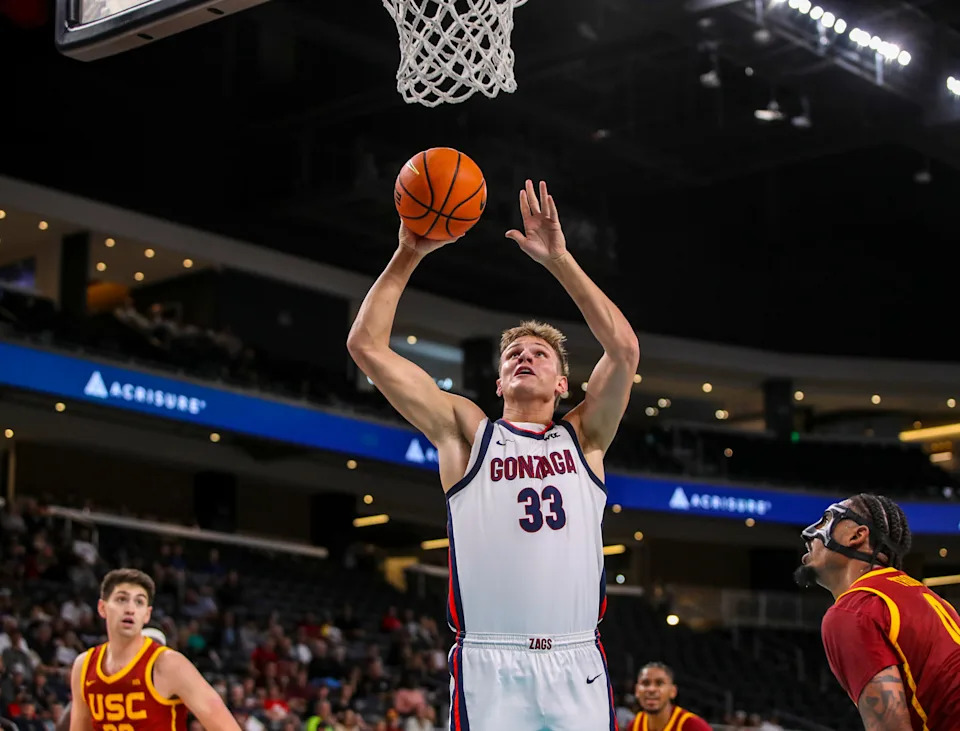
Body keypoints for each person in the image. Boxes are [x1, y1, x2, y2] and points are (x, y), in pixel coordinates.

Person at [348, 179, 640, 731]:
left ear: (561, 385)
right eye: (513, 355)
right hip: (491, 660)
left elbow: (623, 349)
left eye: (540, 354)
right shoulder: (466, 433)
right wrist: (409, 252)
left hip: (576, 658)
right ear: (500, 381)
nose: (525, 358)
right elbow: (365, 346)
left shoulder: (586, 437)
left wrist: (559, 259)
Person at [794, 493, 960, 730]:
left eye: (826, 520)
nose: (808, 533)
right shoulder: (922, 596)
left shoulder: (854, 609)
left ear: (857, 536)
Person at [69, 569, 241, 731]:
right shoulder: (83, 665)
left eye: (139, 602)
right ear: (102, 608)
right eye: (122, 599)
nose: (130, 609)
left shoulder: (168, 664)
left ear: (147, 614)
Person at [626, 663, 711, 731]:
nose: (651, 689)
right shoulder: (634, 725)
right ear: (636, 690)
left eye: (659, 683)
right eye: (645, 683)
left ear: (673, 691)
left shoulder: (692, 726)